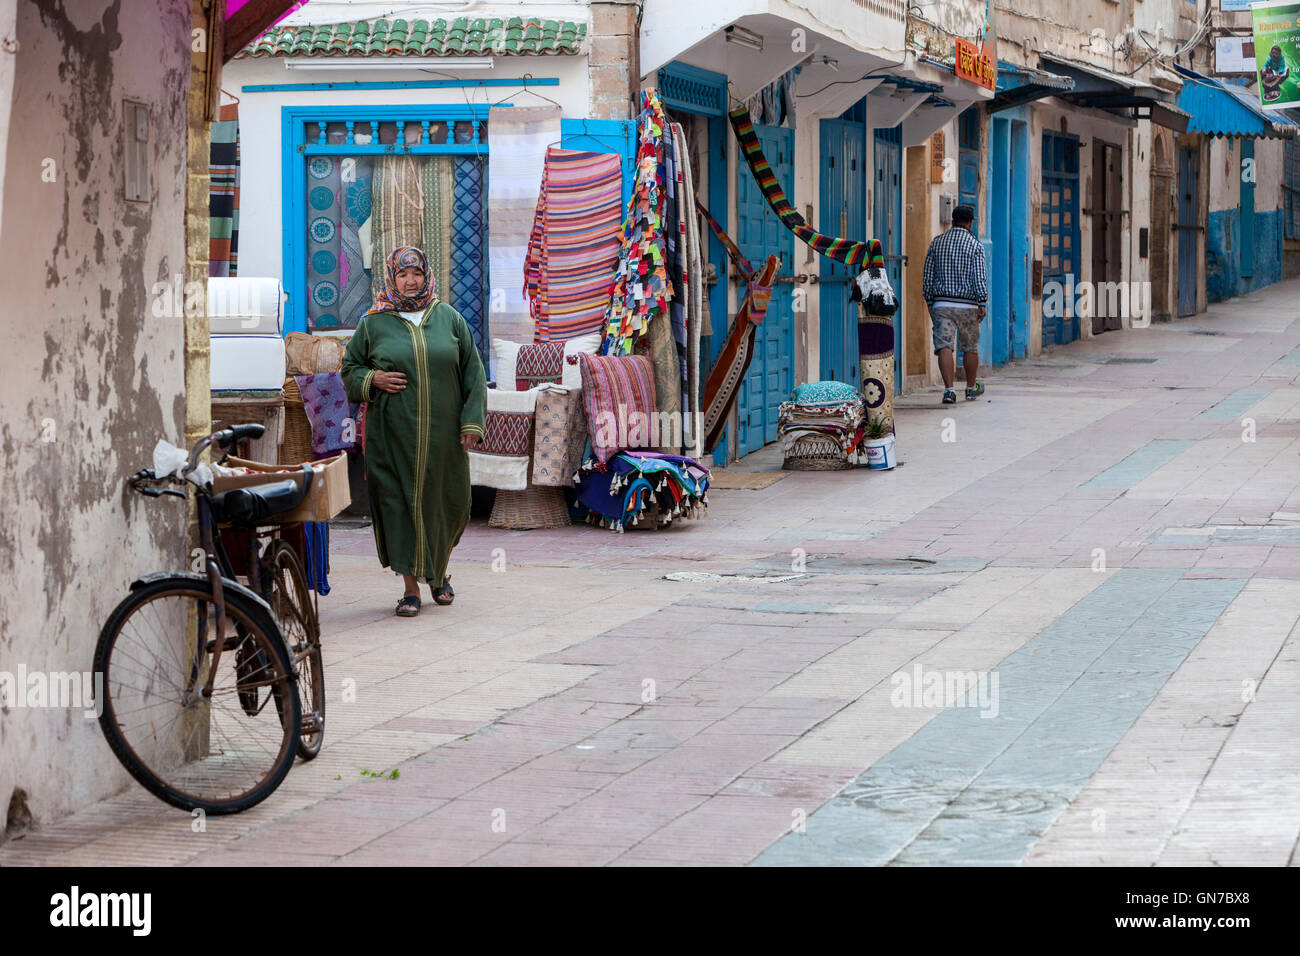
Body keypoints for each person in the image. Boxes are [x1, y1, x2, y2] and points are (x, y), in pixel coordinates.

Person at [341, 246, 487, 617]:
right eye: (403, 274)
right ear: (392, 277)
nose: (410, 281)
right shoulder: (373, 323)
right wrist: (373, 378)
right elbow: (348, 371)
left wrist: (471, 423)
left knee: (447, 504)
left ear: (426, 276)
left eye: (417, 274)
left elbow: (474, 375)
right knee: (397, 505)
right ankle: (410, 589)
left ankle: (437, 574)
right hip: (391, 437)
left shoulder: (449, 319)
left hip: (444, 439)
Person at [922, 204, 987, 405]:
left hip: (942, 303)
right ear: (971, 222)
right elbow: (979, 277)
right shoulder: (975, 246)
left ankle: (949, 390)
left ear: (952, 220)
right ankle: (970, 388)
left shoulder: (937, 243)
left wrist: (930, 301)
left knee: (944, 346)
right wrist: (982, 301)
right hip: (968, 305)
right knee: (970, 347)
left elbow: (928, 276)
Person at [850, 238, 898, 432]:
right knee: (885, 384)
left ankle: (876, 430)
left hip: (869, 337)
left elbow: (855, 298)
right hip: (886, 336)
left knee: (872, 383)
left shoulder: (863, 278)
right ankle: (887, 431)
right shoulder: (885, 278)